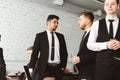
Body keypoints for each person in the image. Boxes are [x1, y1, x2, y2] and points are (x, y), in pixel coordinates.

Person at [87, 0, 120, 80]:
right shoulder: (96, 24)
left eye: (113, 4)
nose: (110, 6)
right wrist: (106, 45)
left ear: (118, 6)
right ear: (104, 7)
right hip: (101, 69)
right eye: (107, 4)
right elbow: (89, 44)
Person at [29, 14, 68, 80]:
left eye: (57, 23)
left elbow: (64, 53)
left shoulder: (61, 37)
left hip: (58, 69)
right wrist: (31, 68)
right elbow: (35, 53)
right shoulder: (40, 36)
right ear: (48, 22)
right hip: (45, 68)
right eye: (54, 22)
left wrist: (63, 67)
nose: (56, 24)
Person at [71, 11, 96, 80]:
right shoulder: (86, 33)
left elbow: (96, 53)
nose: (78, 22)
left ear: (88, 21)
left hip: (89, 73)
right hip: (82, 72)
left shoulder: (95, 34)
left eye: (80, 20)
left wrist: (80, 58)